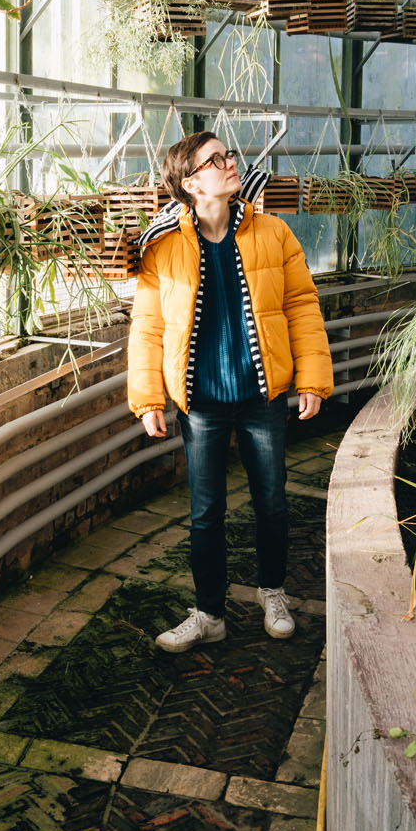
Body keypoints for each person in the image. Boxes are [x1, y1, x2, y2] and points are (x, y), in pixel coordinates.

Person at [128, 132, 332, 652]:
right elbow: (148, 326)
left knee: (271, 501)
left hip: (261, 395)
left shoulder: (274, 233)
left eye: (228, 155)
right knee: (204, 512)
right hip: (200, 403)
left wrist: (311, 378)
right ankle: (209, 613)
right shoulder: (163, 246)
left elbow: (302, 307)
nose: (230, 163)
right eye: (215, 160)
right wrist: (148, 397)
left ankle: (273, 592)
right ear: (192, 182)